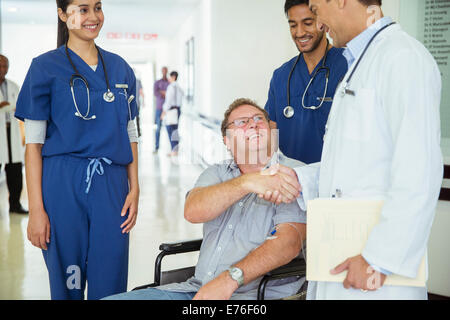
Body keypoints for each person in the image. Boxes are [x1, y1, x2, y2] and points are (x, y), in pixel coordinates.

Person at [262, 0, 443, 300]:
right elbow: (350, 166)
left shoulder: (402, 58)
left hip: (375, 270)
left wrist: (379, 258)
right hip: (344, 253)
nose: (318, 25)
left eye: (317, 12)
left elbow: (419, 170)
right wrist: (297, 179)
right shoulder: (360, 64)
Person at [104, 98, 306, 300]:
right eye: (242, 122)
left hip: (254, 296)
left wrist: (228, 280)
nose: (253, 124)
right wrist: (247, 182)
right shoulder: (217, 173)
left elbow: (288, 243)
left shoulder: (293, 174)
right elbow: (193, 211)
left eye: (258, 119)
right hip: (196, 290)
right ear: (227, 140)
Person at [15, 0, 140, 300]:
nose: (93, 17)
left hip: (112, 183)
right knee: (67, 280)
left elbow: (131, 132)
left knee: (110, 279)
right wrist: (36, 210)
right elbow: (33, 146)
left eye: (98, 7)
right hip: (62, 182)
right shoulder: (44, 68)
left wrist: (135, 188)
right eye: (83, 9)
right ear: (62, 14)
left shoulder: (121, 69)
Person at [265, 0, 348, 164]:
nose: (299, 32)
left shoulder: (349, 65)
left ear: (323, 22)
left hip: (337, 181)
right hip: (293, 181)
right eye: (293, 25)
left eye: (308, 23)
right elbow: (270, 139)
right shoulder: (281, 76)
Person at [0, 54, 28, 214]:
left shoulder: (13, 86)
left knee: (15, 172)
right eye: (1, 66)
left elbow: (20, 106)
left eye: (5, 66)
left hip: (11, 132)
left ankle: (15, 205)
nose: (3, 69)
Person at [162, 71, 184, 157]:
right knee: (175, 129)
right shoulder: (178, 87)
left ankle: (174, 150)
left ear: (174, 77)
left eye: (170, 77)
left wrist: (164, 111)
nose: (169, 79)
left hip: (171, 111)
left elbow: (169, 101)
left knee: (170, 129)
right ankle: (175, 149)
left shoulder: (171, 87)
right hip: (177, 110)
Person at [153, 67, 169, 153]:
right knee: (158, 129)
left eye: (165, 71)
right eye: (163, 70)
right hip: (159, 109)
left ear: (167, 72)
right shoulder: (157, 82)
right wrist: (164, 93)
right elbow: (155, 93)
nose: (164, 72)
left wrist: (162, 92)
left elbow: (170, 94)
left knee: (169, 129)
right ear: (161, 71)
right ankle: (156, 147)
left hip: (168, 110)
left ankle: (171, 149)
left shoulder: (169, 83)